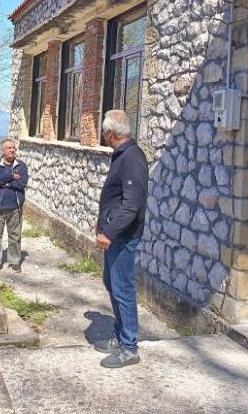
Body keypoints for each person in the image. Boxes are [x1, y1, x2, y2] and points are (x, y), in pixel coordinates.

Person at [93, 110, 148, 369]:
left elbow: (131, 205)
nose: (104, 136)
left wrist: (110, 232)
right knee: (112, 283)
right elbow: (115, 198)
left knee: (122, 288)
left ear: (111, 133)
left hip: (123, 237)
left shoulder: (132, 158)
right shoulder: (121, 154)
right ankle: (120, 336)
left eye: (105, 133)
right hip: (115, 234)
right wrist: (101, 224)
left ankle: (129, 347)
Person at [0, 139, 29, 272]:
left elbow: (22, 183)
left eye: (13, 148)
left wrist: (8, 184)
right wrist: (11, 175)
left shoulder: (21, 166)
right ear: (2, 150)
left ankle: (14, 262)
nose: (12, 150)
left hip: (15, 207)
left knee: (15, 236)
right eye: (9, 148)